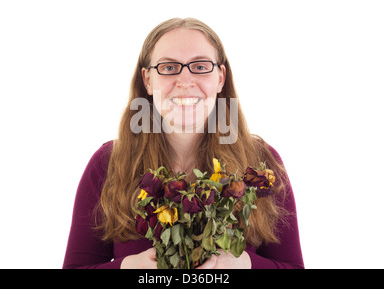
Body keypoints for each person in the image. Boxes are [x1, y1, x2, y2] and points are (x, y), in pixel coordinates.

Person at [63, 18, 304, 269]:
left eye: (200, 66)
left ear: (220, 77)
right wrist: (128, 267)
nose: (185, 80)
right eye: (169, 68)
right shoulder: (108, 164)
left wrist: (245, 264)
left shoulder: (261, 164)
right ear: (147, 80)